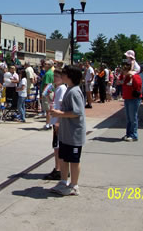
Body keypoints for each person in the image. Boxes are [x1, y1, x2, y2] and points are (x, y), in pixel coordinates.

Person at [50, 65, 86, 196]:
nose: (61, 75)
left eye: (64, 73)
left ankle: (74, 185)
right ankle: (63, 181)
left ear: (70, 76)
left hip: (74, 133)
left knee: (74, 160)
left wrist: (59, 113)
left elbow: (77, 112)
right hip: (66, 133)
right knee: (64, 158)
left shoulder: (74, 92)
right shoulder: (70, 89)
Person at [44, 69, 67, 180]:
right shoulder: (57, 89)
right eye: (54, 76)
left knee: (57, 146)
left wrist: (58, 121)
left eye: (57, 76)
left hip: (58, 121)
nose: (54, 78)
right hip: (55, 119)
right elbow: (55, 104)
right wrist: (48, 97)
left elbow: (62, 105)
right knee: (56, 146)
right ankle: (59, 168)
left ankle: (59, 169)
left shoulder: (62, 88)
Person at [121, 64, 142, 142]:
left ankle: (134, 135)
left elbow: (138, 85)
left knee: (133, 117)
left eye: (124, 70)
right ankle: (129, 134)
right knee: (129, 118)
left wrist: (132, 77)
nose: (123, 72)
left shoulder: (135, 76)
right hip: (127, 98)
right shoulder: (126, 77)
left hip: (133, 99)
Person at [41, 60, 54, 129]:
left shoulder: (48, 74)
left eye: (46, 64)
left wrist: (43, 94)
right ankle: (51, 123)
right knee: (50, 109)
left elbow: (47, 84)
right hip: (50, 92)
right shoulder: (51, 73)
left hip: (47, 92)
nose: (44, 65)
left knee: (48, 110)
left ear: (49, 65)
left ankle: (48, 124)